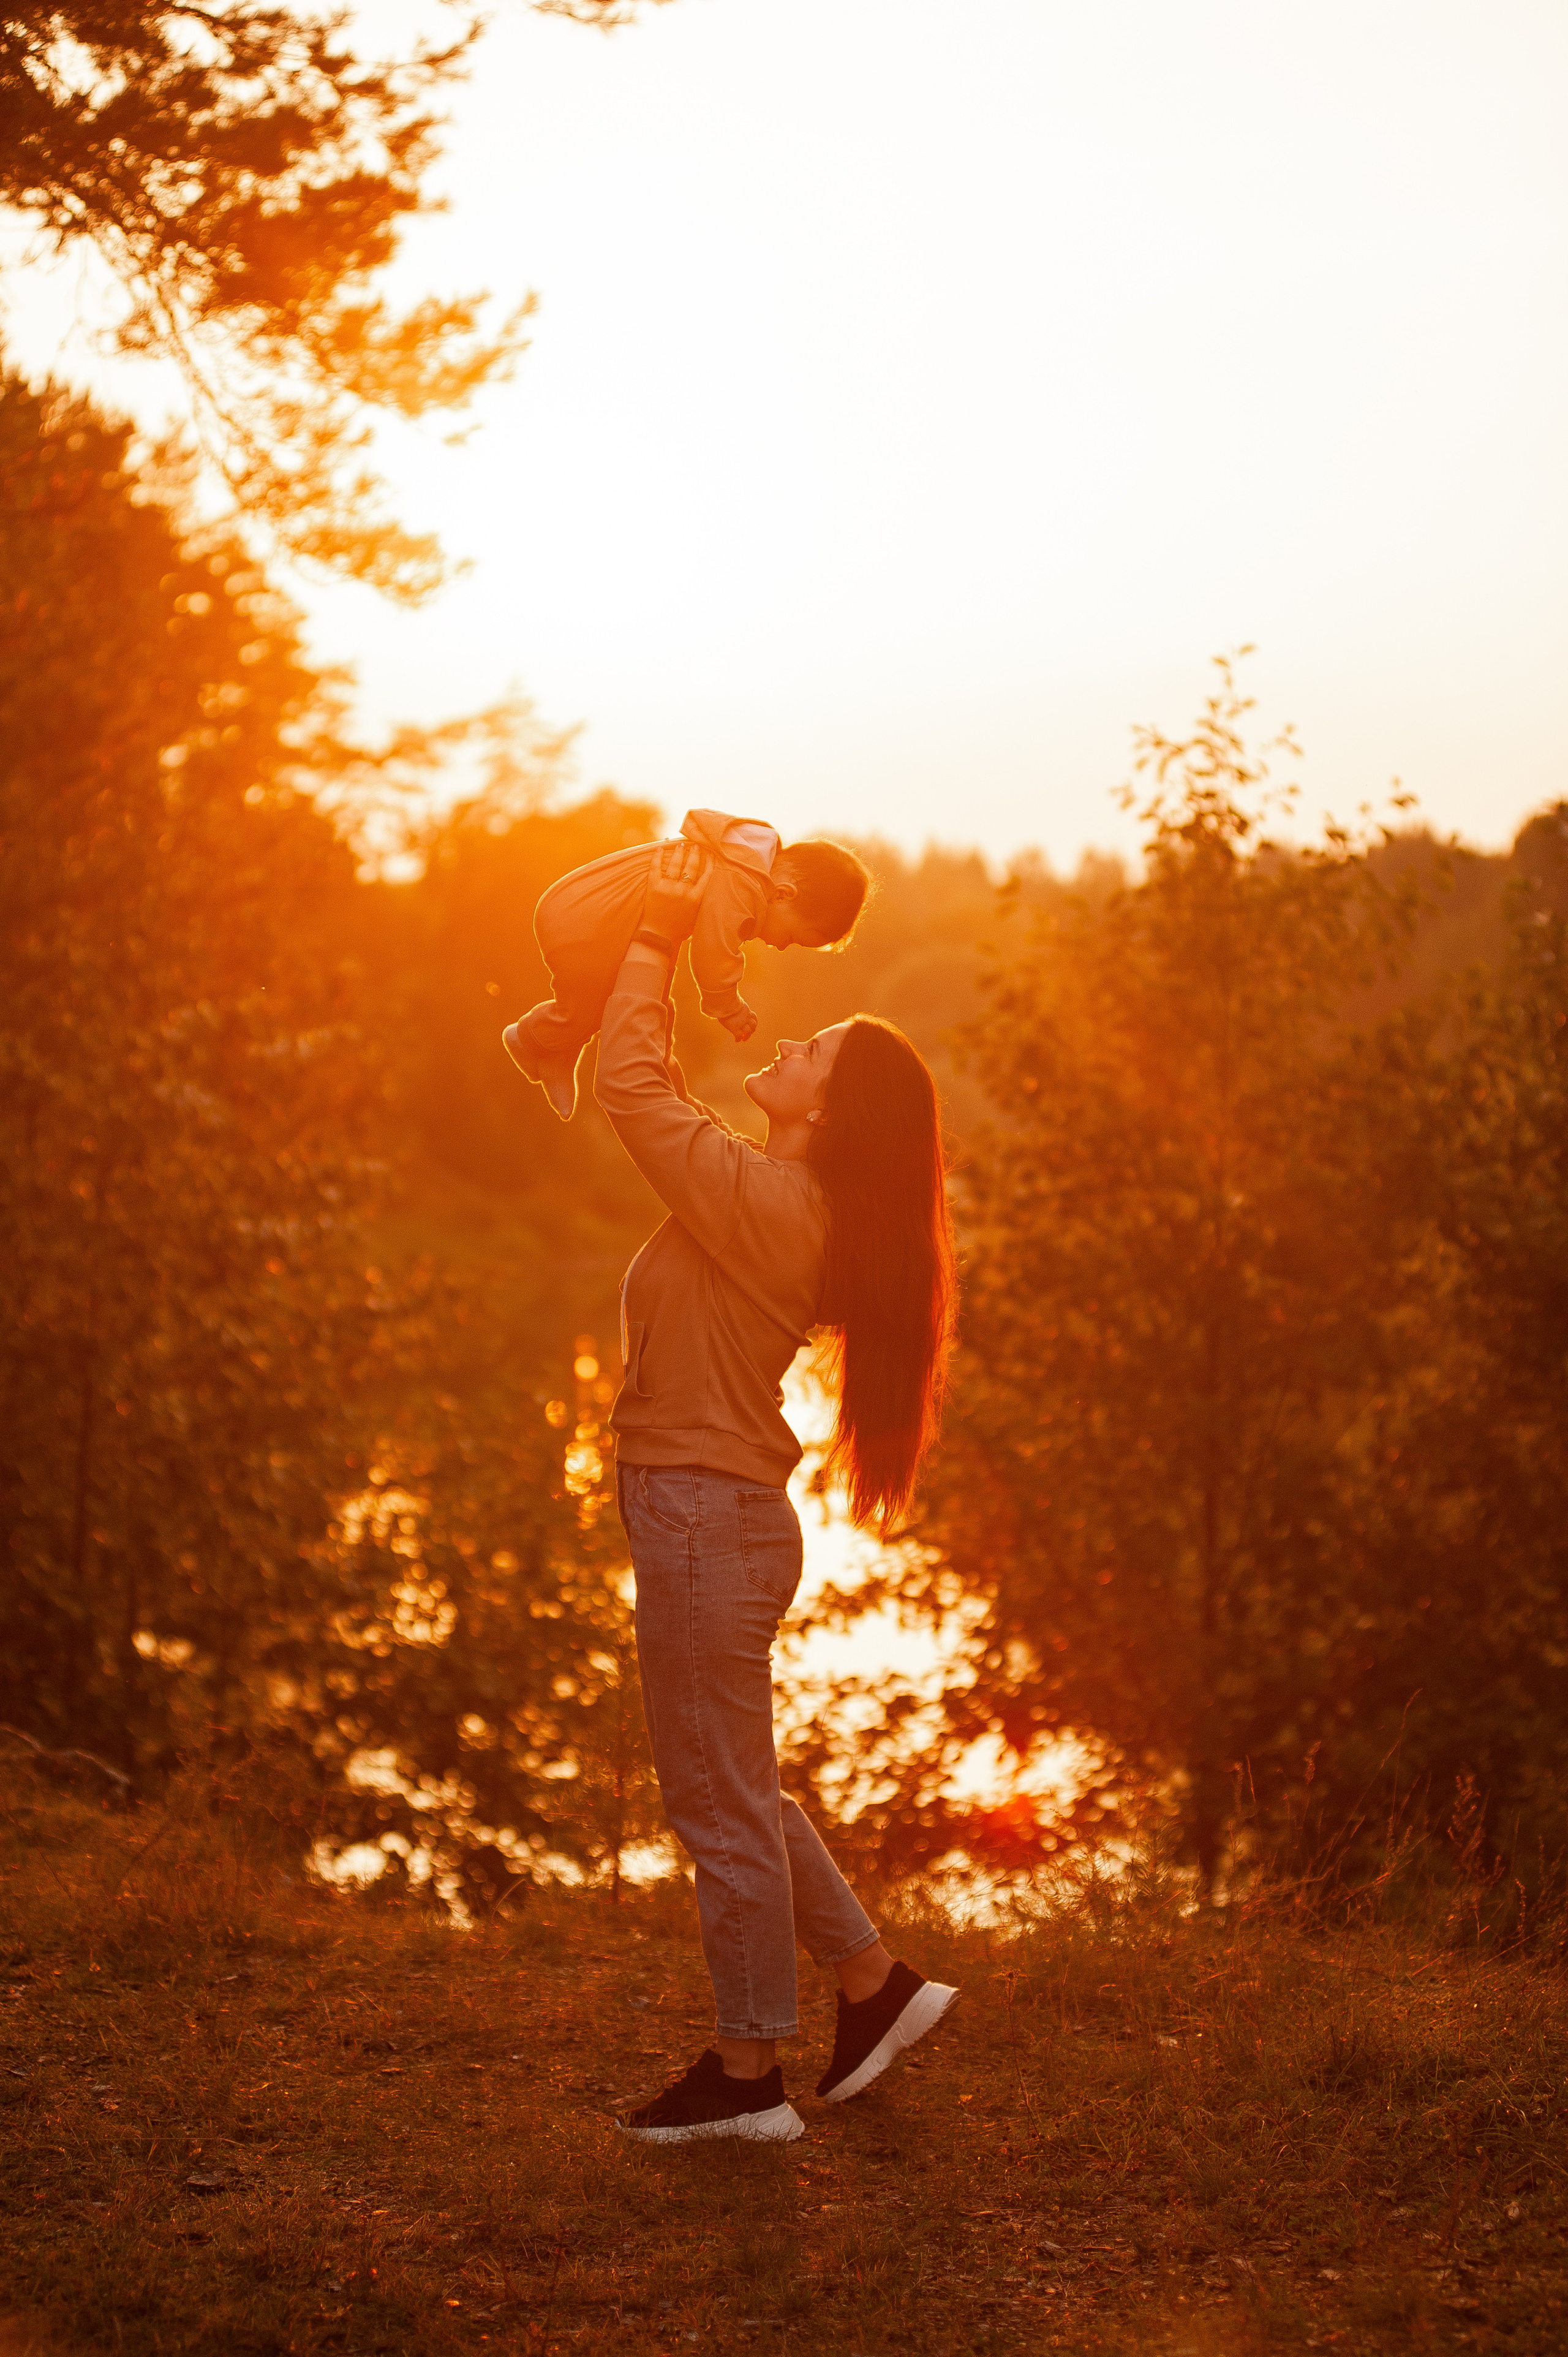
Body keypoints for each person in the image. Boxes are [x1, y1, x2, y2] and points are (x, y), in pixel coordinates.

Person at [595, 837, 959, 2146]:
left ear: (828, 1114)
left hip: (708, 1517)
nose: (792, 1043)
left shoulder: (772, 1205)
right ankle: (873, 1984)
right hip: (711, 1513)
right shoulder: (772, 1197)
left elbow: (633, 1089)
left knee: (716, 1802)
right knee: (738, 1782)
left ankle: (749, 2077)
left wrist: (654, 935)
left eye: (815, 1052)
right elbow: (647, 1093)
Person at [502, 808, 870, 1120]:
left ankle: (648, 1081)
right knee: (602, 1002)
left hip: (608, 918)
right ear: (783, 894)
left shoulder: (743, 865)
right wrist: (728, 1006)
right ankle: (531, 1038)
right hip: (587, 918)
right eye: (791, 938)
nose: (780, 947)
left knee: (650, 1005)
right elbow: (713, 953)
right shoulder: (742, 885)